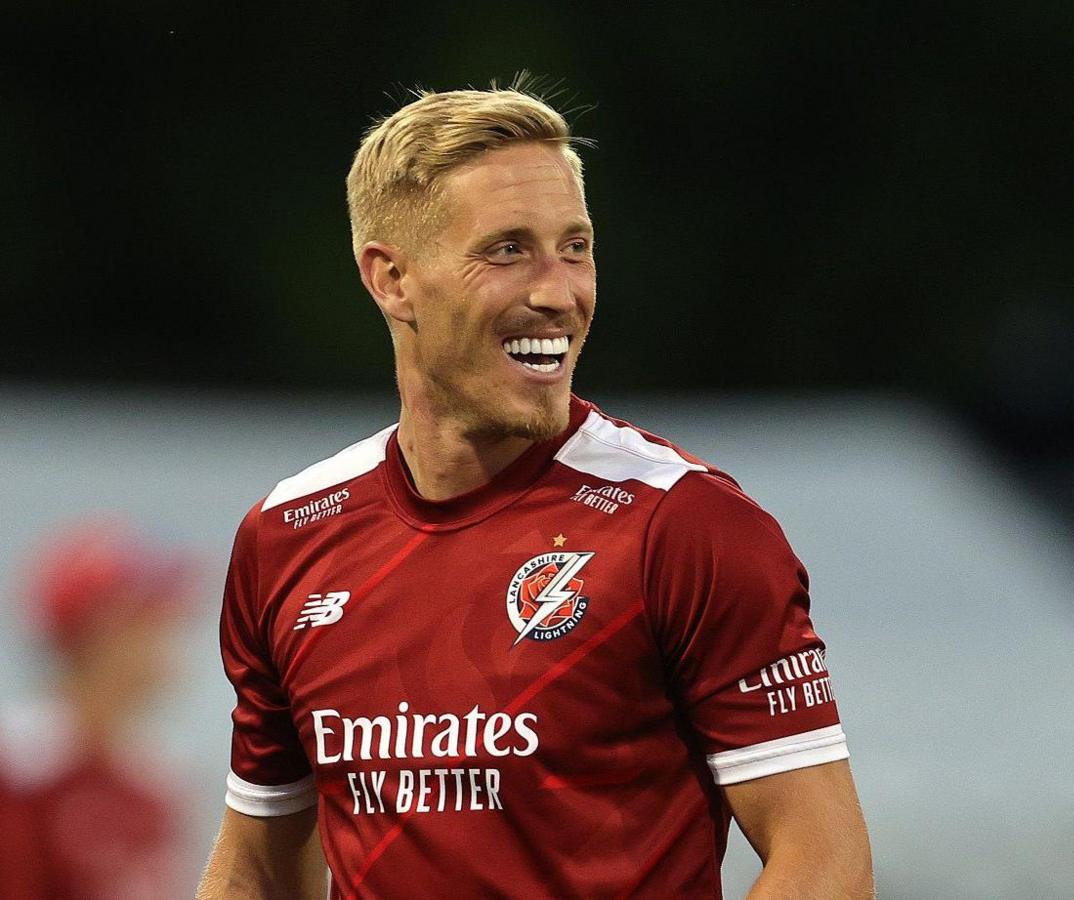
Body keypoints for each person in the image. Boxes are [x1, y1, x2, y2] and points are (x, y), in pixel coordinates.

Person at [197, 82, 872, 899]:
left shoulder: (686, 526)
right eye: (509, 249)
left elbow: (823, 857)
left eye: (576, 247)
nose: (560, 292)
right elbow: (260, 865)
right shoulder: (287, 537)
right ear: (392, 280)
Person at [0, 521, 191, 900]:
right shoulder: (20, 777)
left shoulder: (150, 783)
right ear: (103, 630)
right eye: (152, 616)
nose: (171, 635)